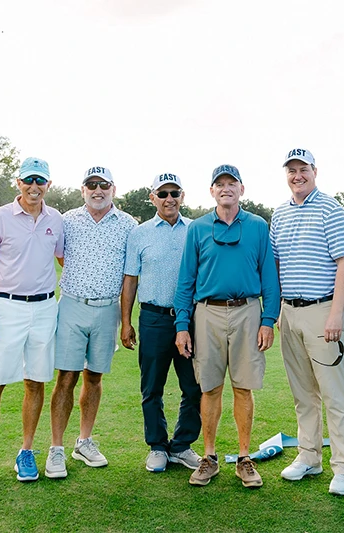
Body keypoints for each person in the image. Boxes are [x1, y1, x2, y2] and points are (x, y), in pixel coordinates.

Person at [0, 156, 64, 492]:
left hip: (45, 307)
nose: (34, 187)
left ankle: (26, 451)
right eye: (28, 180)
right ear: (18, 182)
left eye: (41, 181)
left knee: (35, 382)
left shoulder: (56, 219)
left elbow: (64, 259)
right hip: (6, 308)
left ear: (48, 184)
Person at [173, 164, 279, 489]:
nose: (225, 188)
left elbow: (270, 279)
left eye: (231, 183)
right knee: (210, 388)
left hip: (247, 310)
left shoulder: (259, 227)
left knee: (243, 387)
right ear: (212, 192)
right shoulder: (198, 228)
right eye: (219, 184)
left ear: (241, 190)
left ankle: (245, 458)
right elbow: (186, 280)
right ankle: (209, 457)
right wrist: (182, 325)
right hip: (207, 313)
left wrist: (268, 320)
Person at [269, 148, 344, 496]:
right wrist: (277, 310)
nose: (297, 175)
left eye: (303, 169)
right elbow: (276, 265)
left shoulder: (330, 209)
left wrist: (336, 313)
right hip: (289, 313)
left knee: (334, 394)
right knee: (303, 393)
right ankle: (309, 456)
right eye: (291, 170)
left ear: (314, 171)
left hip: (325, 311)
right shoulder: (279, 213)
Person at [44, 166, 136, 479]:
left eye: (103, 185)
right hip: (72, 305)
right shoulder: (67, 220)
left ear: (113, 189)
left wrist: (125, 321)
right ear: (83, 190)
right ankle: (56, 448)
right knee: (66, 378)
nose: (98, 190)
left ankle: (84, 441)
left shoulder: (127, 224)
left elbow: (129, 275)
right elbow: (60, 257)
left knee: (94, 377)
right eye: (91, 185)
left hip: (107, 309)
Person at [121, 173, 202, 474]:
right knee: (152, 387)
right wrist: (126, 322)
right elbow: (131, 280)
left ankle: (181, 446)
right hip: (153, 318)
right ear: (152, 197)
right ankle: (157, 446)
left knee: (194, 387)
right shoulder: (139, 233)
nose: (169, 198)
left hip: (189, 320)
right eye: (163, 193)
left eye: (175, 193)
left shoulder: (196, 229)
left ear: (183, 197)